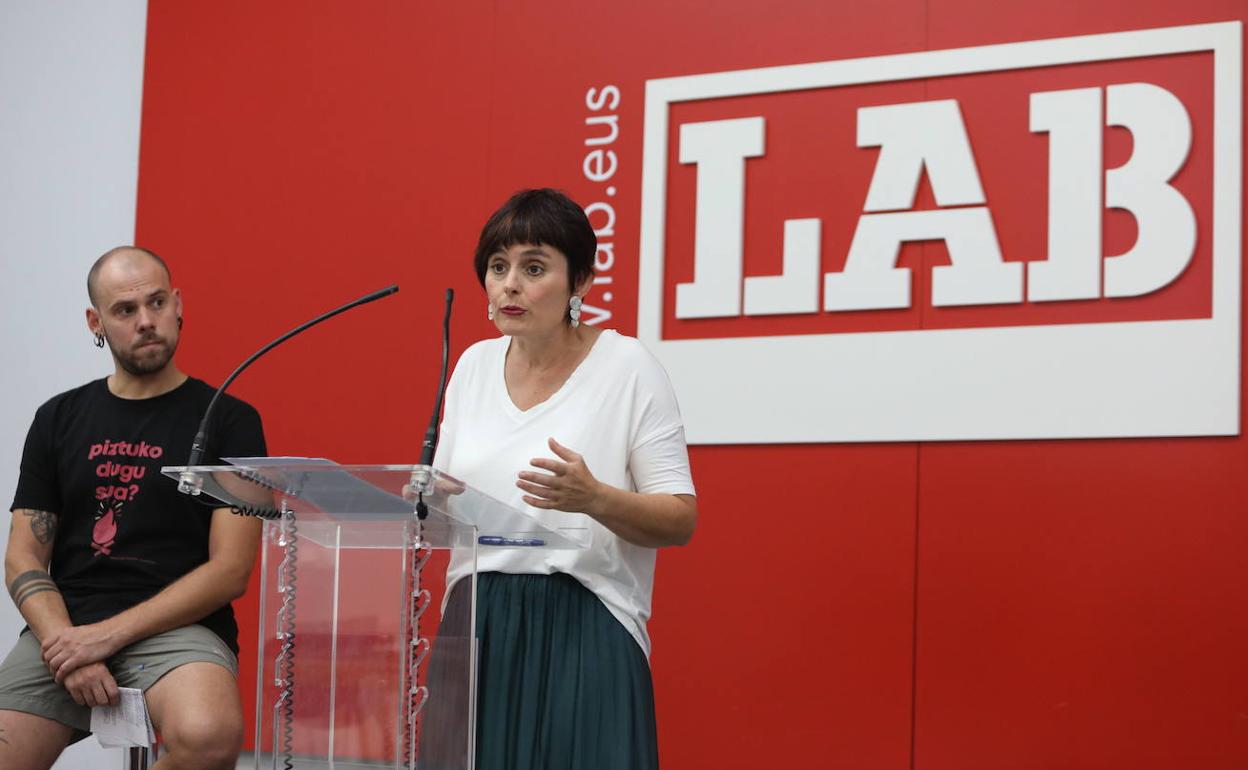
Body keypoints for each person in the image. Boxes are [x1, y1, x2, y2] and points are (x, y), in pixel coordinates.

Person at [429, 189, 698, 770]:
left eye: (533, 267)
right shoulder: (472, 365)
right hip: (477, 619)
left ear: (581, 281)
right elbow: (450, 499)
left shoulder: (628, 368)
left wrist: (594, 497)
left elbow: (679, 519)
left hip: (585, 618)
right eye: (497, 268)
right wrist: (427, 503)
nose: (509, 285)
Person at [0, 247, 267, 770]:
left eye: (157, 302)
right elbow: (23, 557)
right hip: (67, 624)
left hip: (180, 628)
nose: (146, 321)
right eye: (125, 311)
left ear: (178, 305)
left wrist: (105, 637)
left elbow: (230, 571)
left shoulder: (231, 420)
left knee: (209, 736)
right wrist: (67, 646)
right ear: (95, 322)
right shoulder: (57, 418)